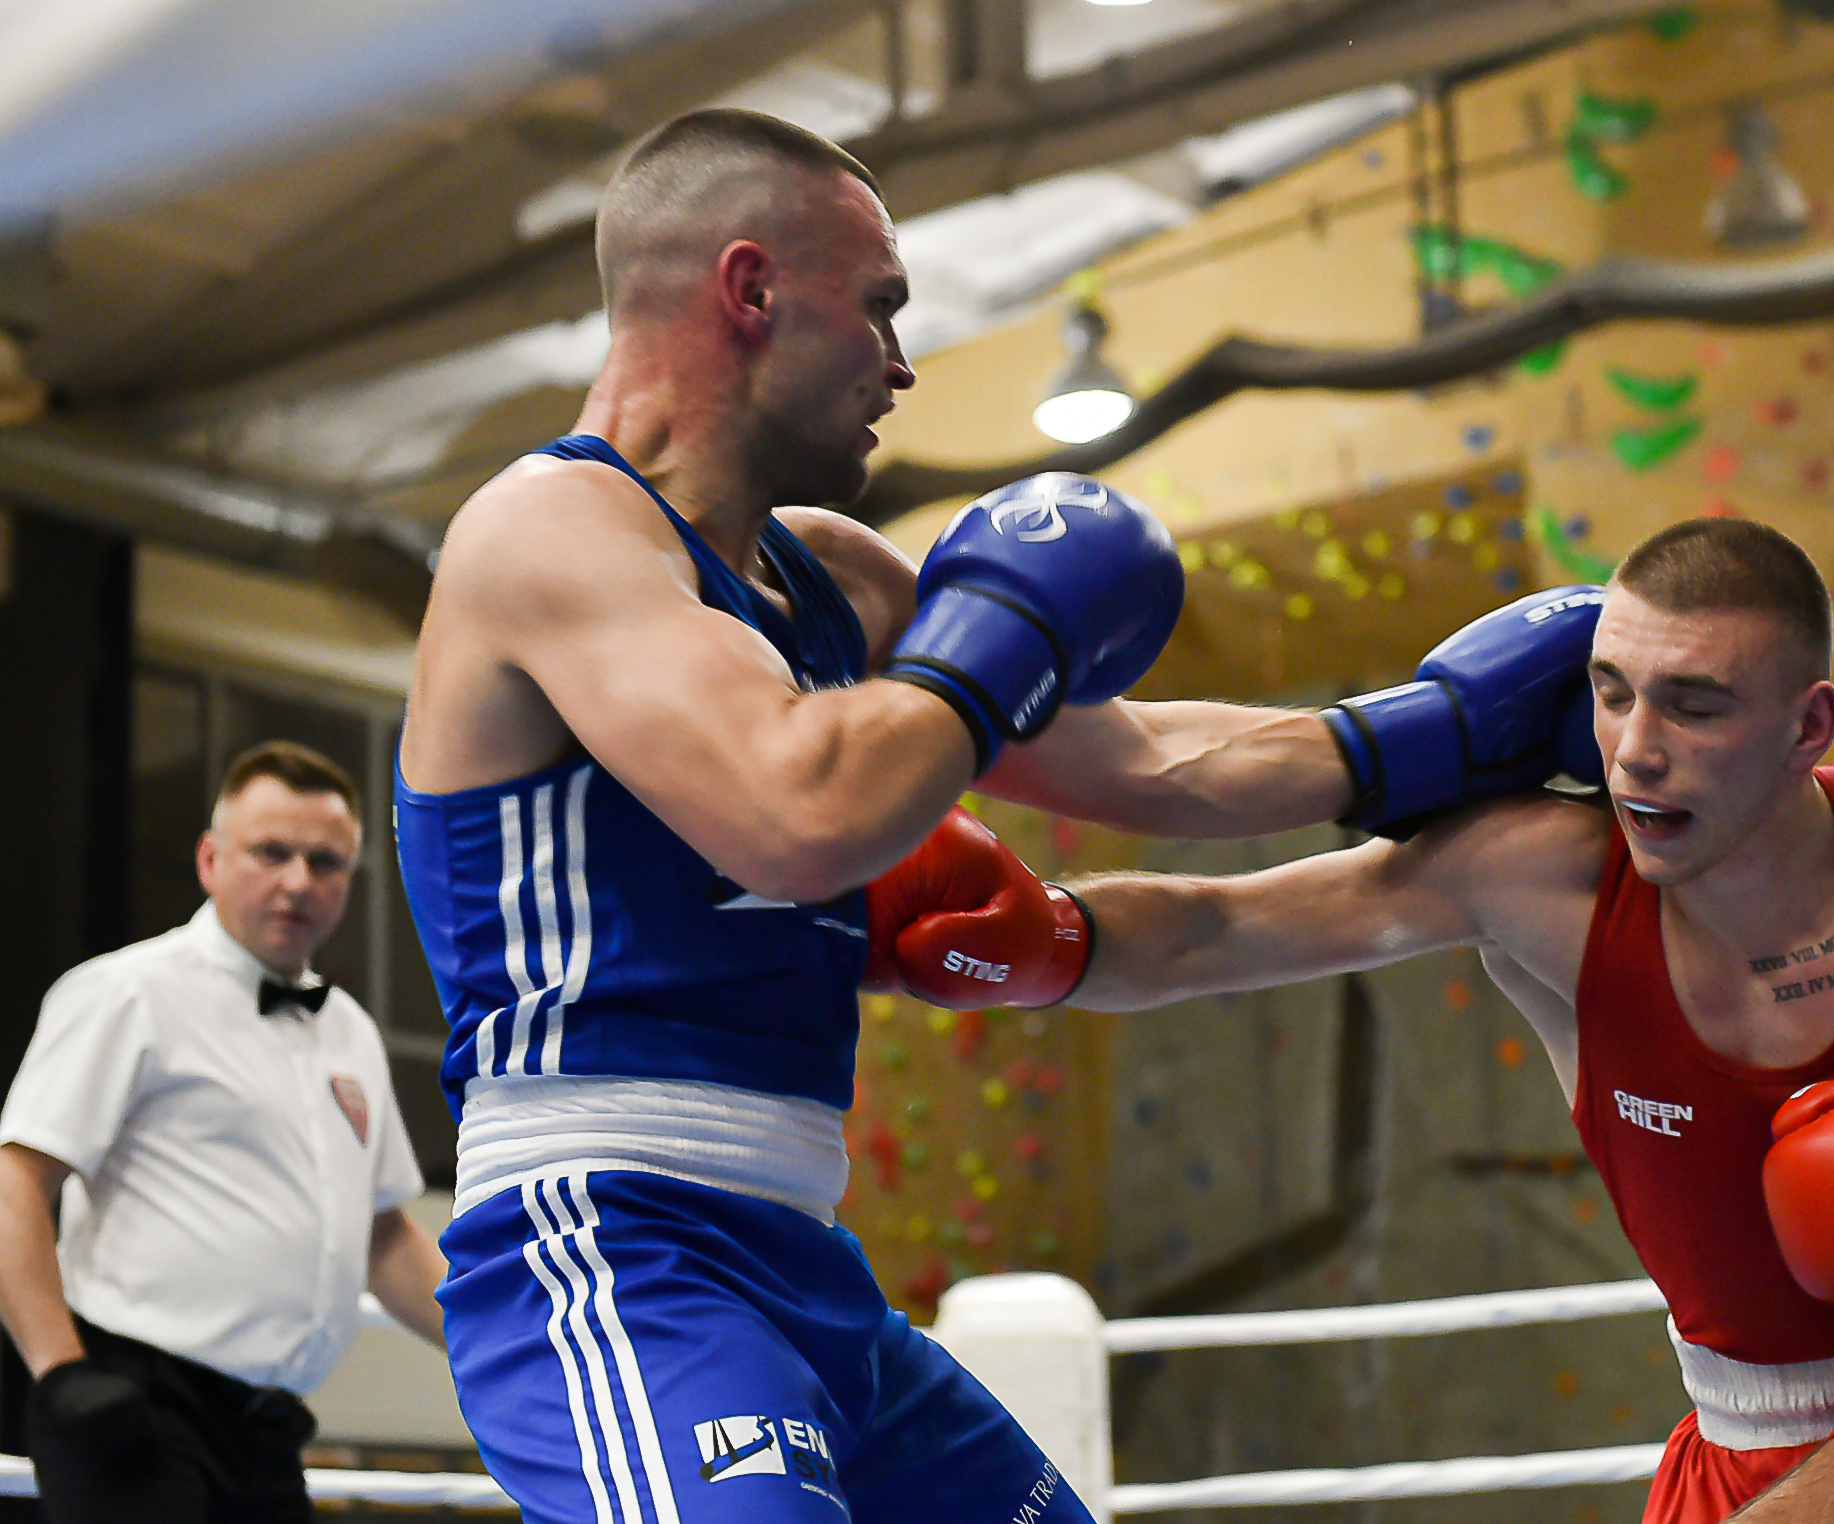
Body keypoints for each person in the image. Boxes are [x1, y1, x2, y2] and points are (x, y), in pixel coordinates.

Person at [390, 105, 1514, 1524]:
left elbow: (1147, 766)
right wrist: (999, 641)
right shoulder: (547, 529)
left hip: (805, 1265)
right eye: (879, 306)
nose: (904, 362)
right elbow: (797, 812)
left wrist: (1439, 734)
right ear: (751, 289)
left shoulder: (836, 580)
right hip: (611, 1243)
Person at [870, 517, 1834, 1524]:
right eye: (1610, 692)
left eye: (1694, 705)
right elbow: (1219, 929)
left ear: (1806, 726)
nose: (1636, 748)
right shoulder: (1539, 879)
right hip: (1735, 1444)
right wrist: (1042, 940)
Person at [0, 741, 448, 1524]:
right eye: (272, 852)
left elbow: (384, 1237)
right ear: (211, 859)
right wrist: (60, 1372)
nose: (298, 881)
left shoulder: (347, 1029)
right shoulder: (128, 992)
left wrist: (506, 1346)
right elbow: (15, 1183)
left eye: (325, 861)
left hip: (267, 1429)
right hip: (132, 1403)